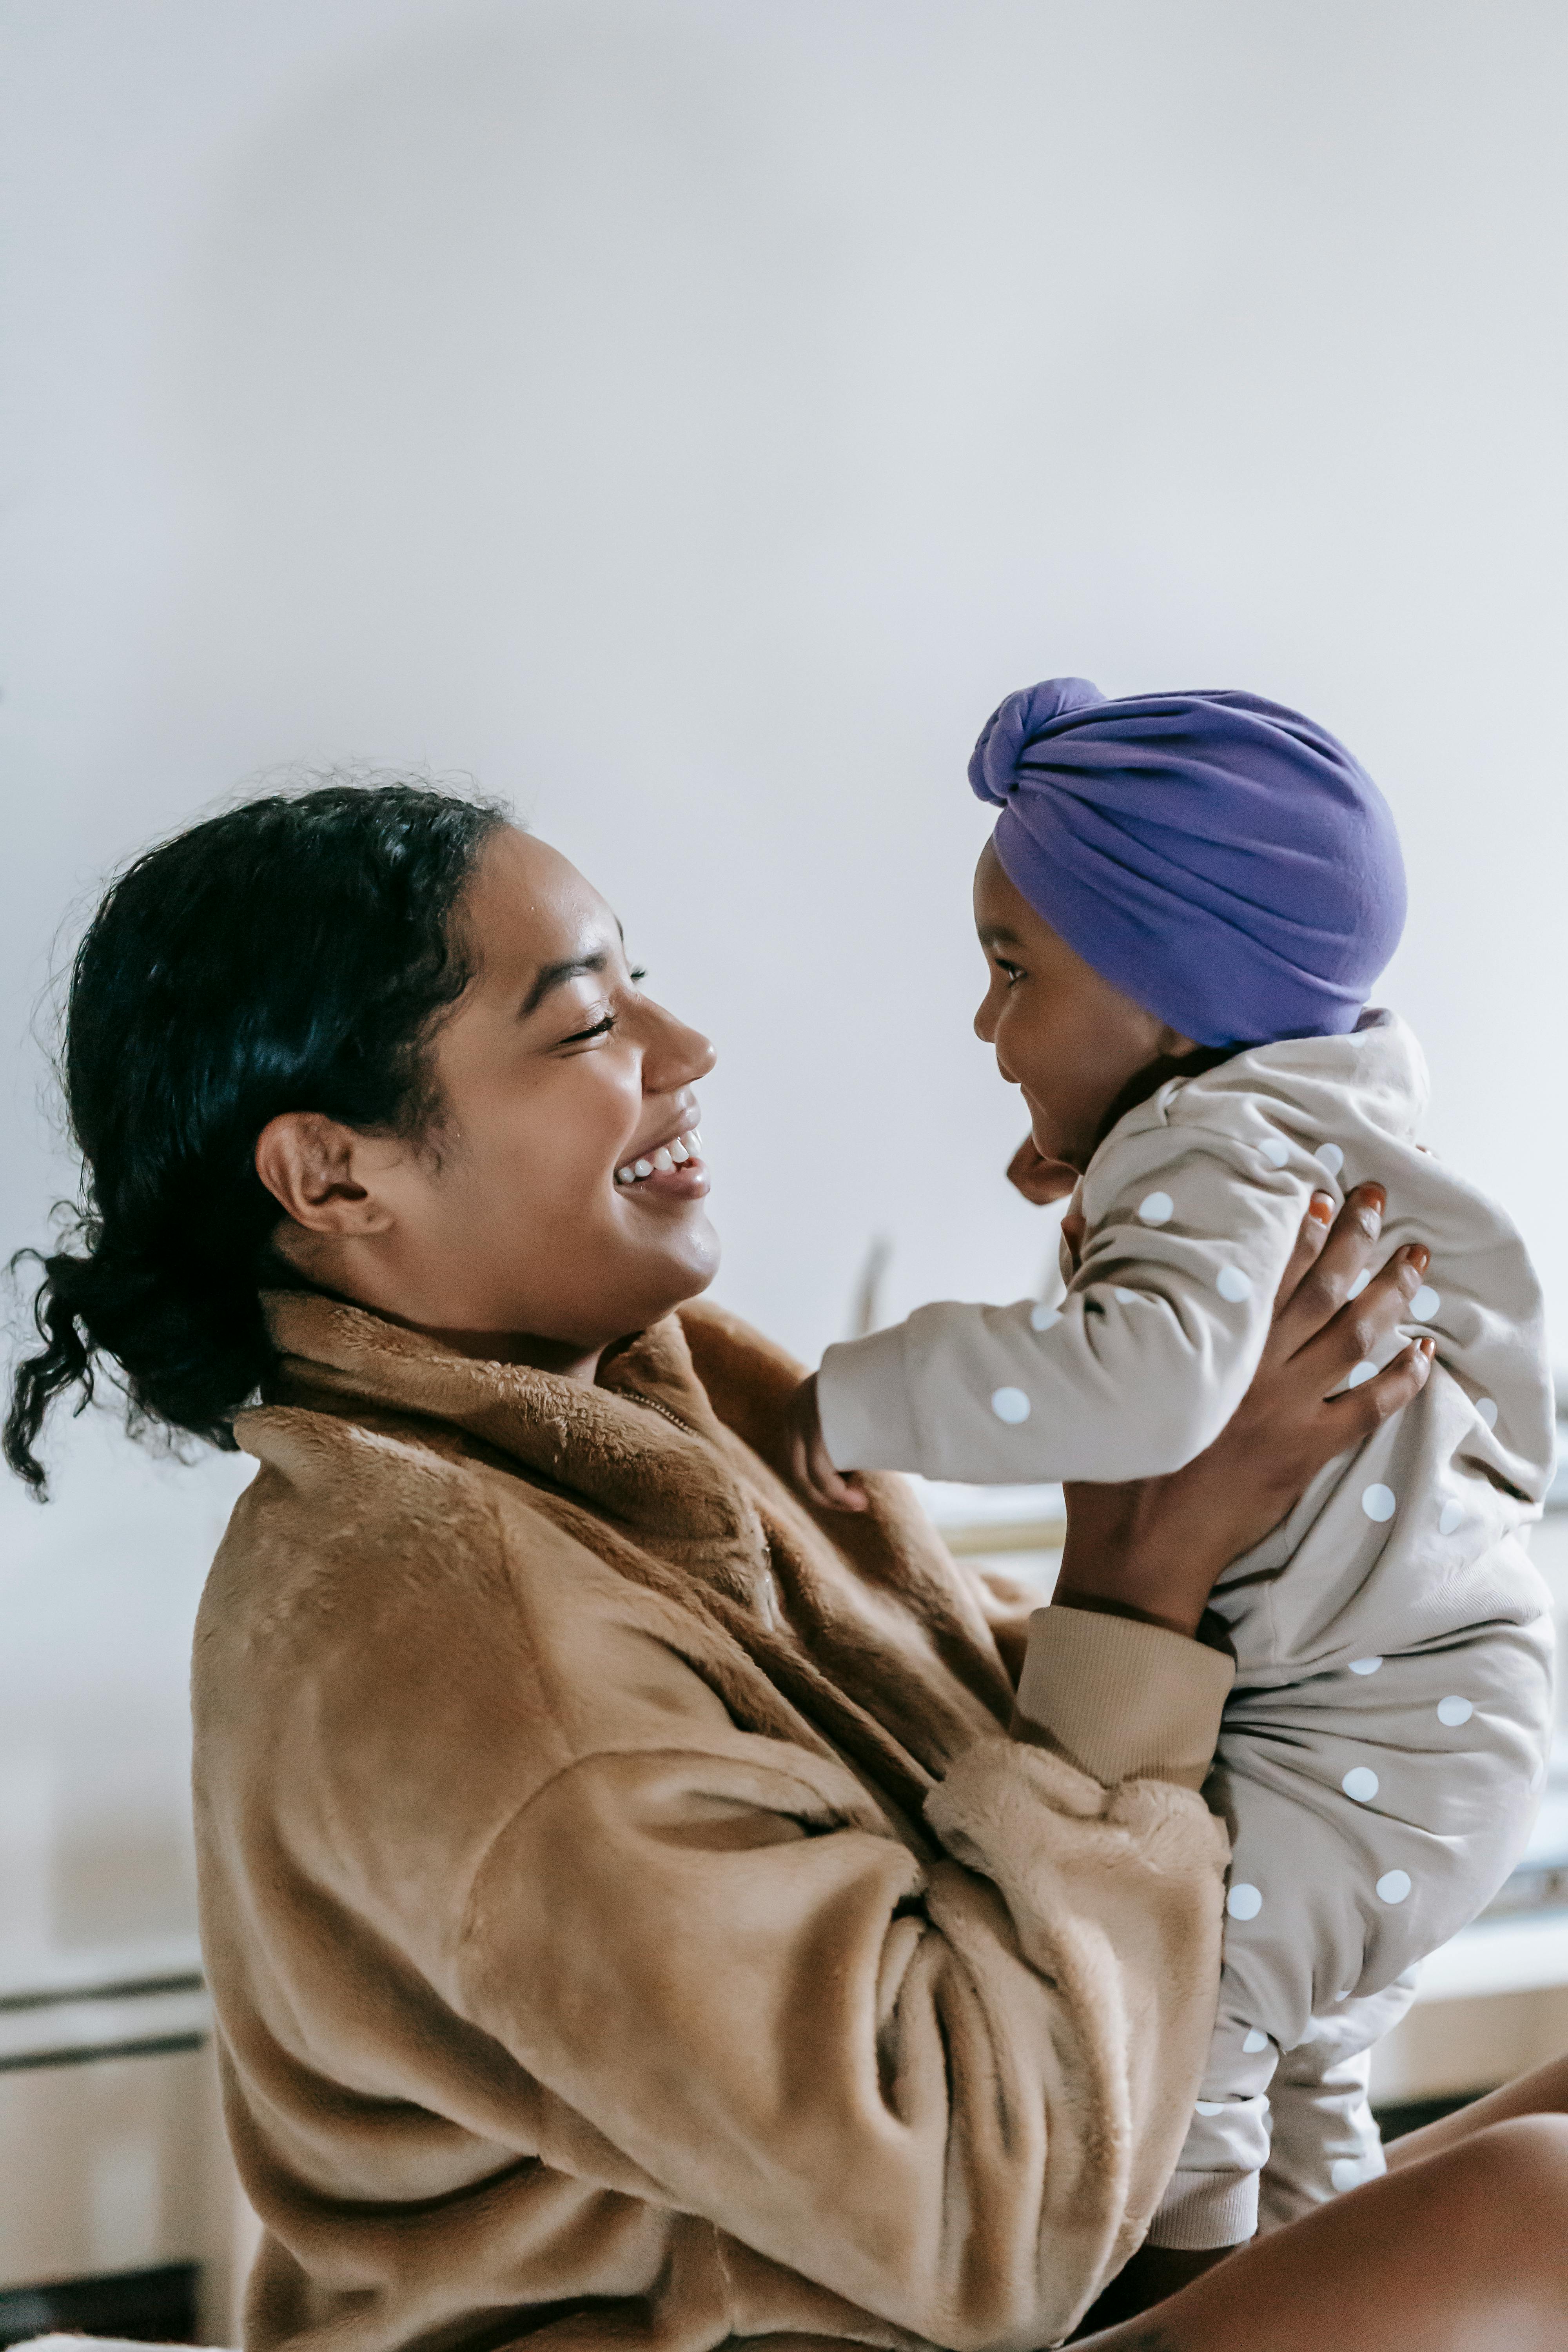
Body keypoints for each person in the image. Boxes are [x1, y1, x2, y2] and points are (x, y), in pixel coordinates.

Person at [5, 780, 1566, 2352]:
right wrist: (1136, 1577)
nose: (685, 1054)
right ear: (336, 1178)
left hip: (1041, 2224)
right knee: (1536, 2221)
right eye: (584, 1028)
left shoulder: (653, 1398)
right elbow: (980, 2226)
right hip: (955, 2266)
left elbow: (962, 1745)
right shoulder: (443, 1631)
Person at [787, 677, 1556, 2252]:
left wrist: (855, 1398)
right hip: (1428, 1726)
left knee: (1184, 2030)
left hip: (1370, 1728)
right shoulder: (1292, 1125)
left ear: (1169, 992)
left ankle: (1171, 2295)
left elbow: (1146, 1392)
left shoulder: (1212, 1149)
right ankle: (1302, 2279)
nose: (987, 1025)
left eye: (1014, 971)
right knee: (1305, 2076)